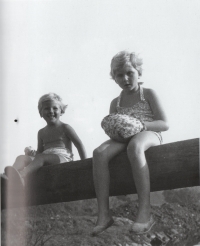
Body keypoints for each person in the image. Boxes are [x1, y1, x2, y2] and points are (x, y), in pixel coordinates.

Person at [91, 51, 169, 236]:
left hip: (149, 133)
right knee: (99, 153)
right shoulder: (115, 102)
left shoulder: (148, 93)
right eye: (119, 75)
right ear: (114, 78)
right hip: (124, 138)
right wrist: (115, 132)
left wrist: (142, 125)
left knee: (135, 146)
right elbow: (114, 126)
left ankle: (145, 211)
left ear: (138, 72)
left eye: (129, 73)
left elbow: (164, 124)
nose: (125, 78)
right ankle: (104, 214)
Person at [4, 93, 87, 187]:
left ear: (61, 111)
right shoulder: (41, 132)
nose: (51, 111)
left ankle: (22, 175)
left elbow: (79, 145)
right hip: (45, 158)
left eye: (55, 108)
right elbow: (40, 153)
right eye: (46, 108)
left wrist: (84, 164)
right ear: (41, 113)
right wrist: (32, 153)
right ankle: (9, 177)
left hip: (62, 158)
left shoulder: (65, 127)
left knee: (42, 158)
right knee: (21, 158)